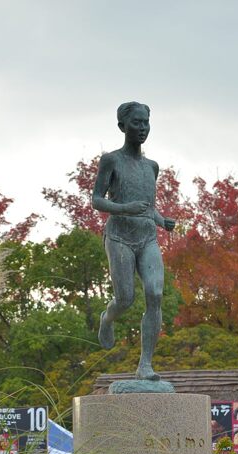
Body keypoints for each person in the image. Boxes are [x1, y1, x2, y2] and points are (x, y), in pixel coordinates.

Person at [92, 101, 176, 381]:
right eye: (136, 123)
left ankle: (146, 365)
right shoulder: (111, 160)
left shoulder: (152, 166)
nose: (142, 128)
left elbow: (148, 206)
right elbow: (97, 200)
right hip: (119, 237)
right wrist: (124, 208)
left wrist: (162, 220)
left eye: (145, 123)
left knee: (155, 293)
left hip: (147, 237)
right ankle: (108, 318)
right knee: (126, 299)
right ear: (122, 127)